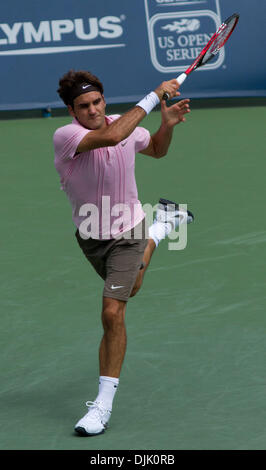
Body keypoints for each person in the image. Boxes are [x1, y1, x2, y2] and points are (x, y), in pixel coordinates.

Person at [53, 69, 193, 436]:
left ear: (104, 99)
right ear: (72, 110)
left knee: (113, 311)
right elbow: (112, 136)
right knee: (131, 288)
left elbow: (158, 151)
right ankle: (162, 226)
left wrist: (168, 124)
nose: (94, 110)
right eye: (84, 106)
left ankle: (102, 405)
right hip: (91, 236)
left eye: (97, 101)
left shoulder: (125, 125)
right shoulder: (67, 136)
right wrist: (153, 94)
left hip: (129, 229)